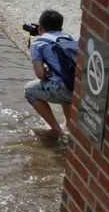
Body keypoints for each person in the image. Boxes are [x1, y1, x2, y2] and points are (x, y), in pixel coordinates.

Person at [23, 9, 77, 139]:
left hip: (63, 89)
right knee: (65, 77)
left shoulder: (38, 43)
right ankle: (70, 125)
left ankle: (56, 129)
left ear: (40, 27)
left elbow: (40, 74)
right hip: (77, 87)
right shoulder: (68, 37)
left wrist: (48, 71)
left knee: (29, 90)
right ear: (61, 27)